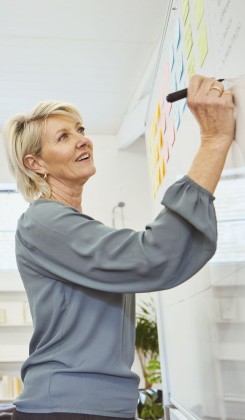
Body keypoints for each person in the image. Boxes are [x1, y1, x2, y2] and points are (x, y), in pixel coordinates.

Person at [3, 75, 235, 420]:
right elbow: (155, 256)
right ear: (35, 164)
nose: (83, 141)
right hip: (68, 409)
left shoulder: (73, 226)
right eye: (64, 137)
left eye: (80, 130)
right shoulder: (43, 222)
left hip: (96, 408)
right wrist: (214, 140)